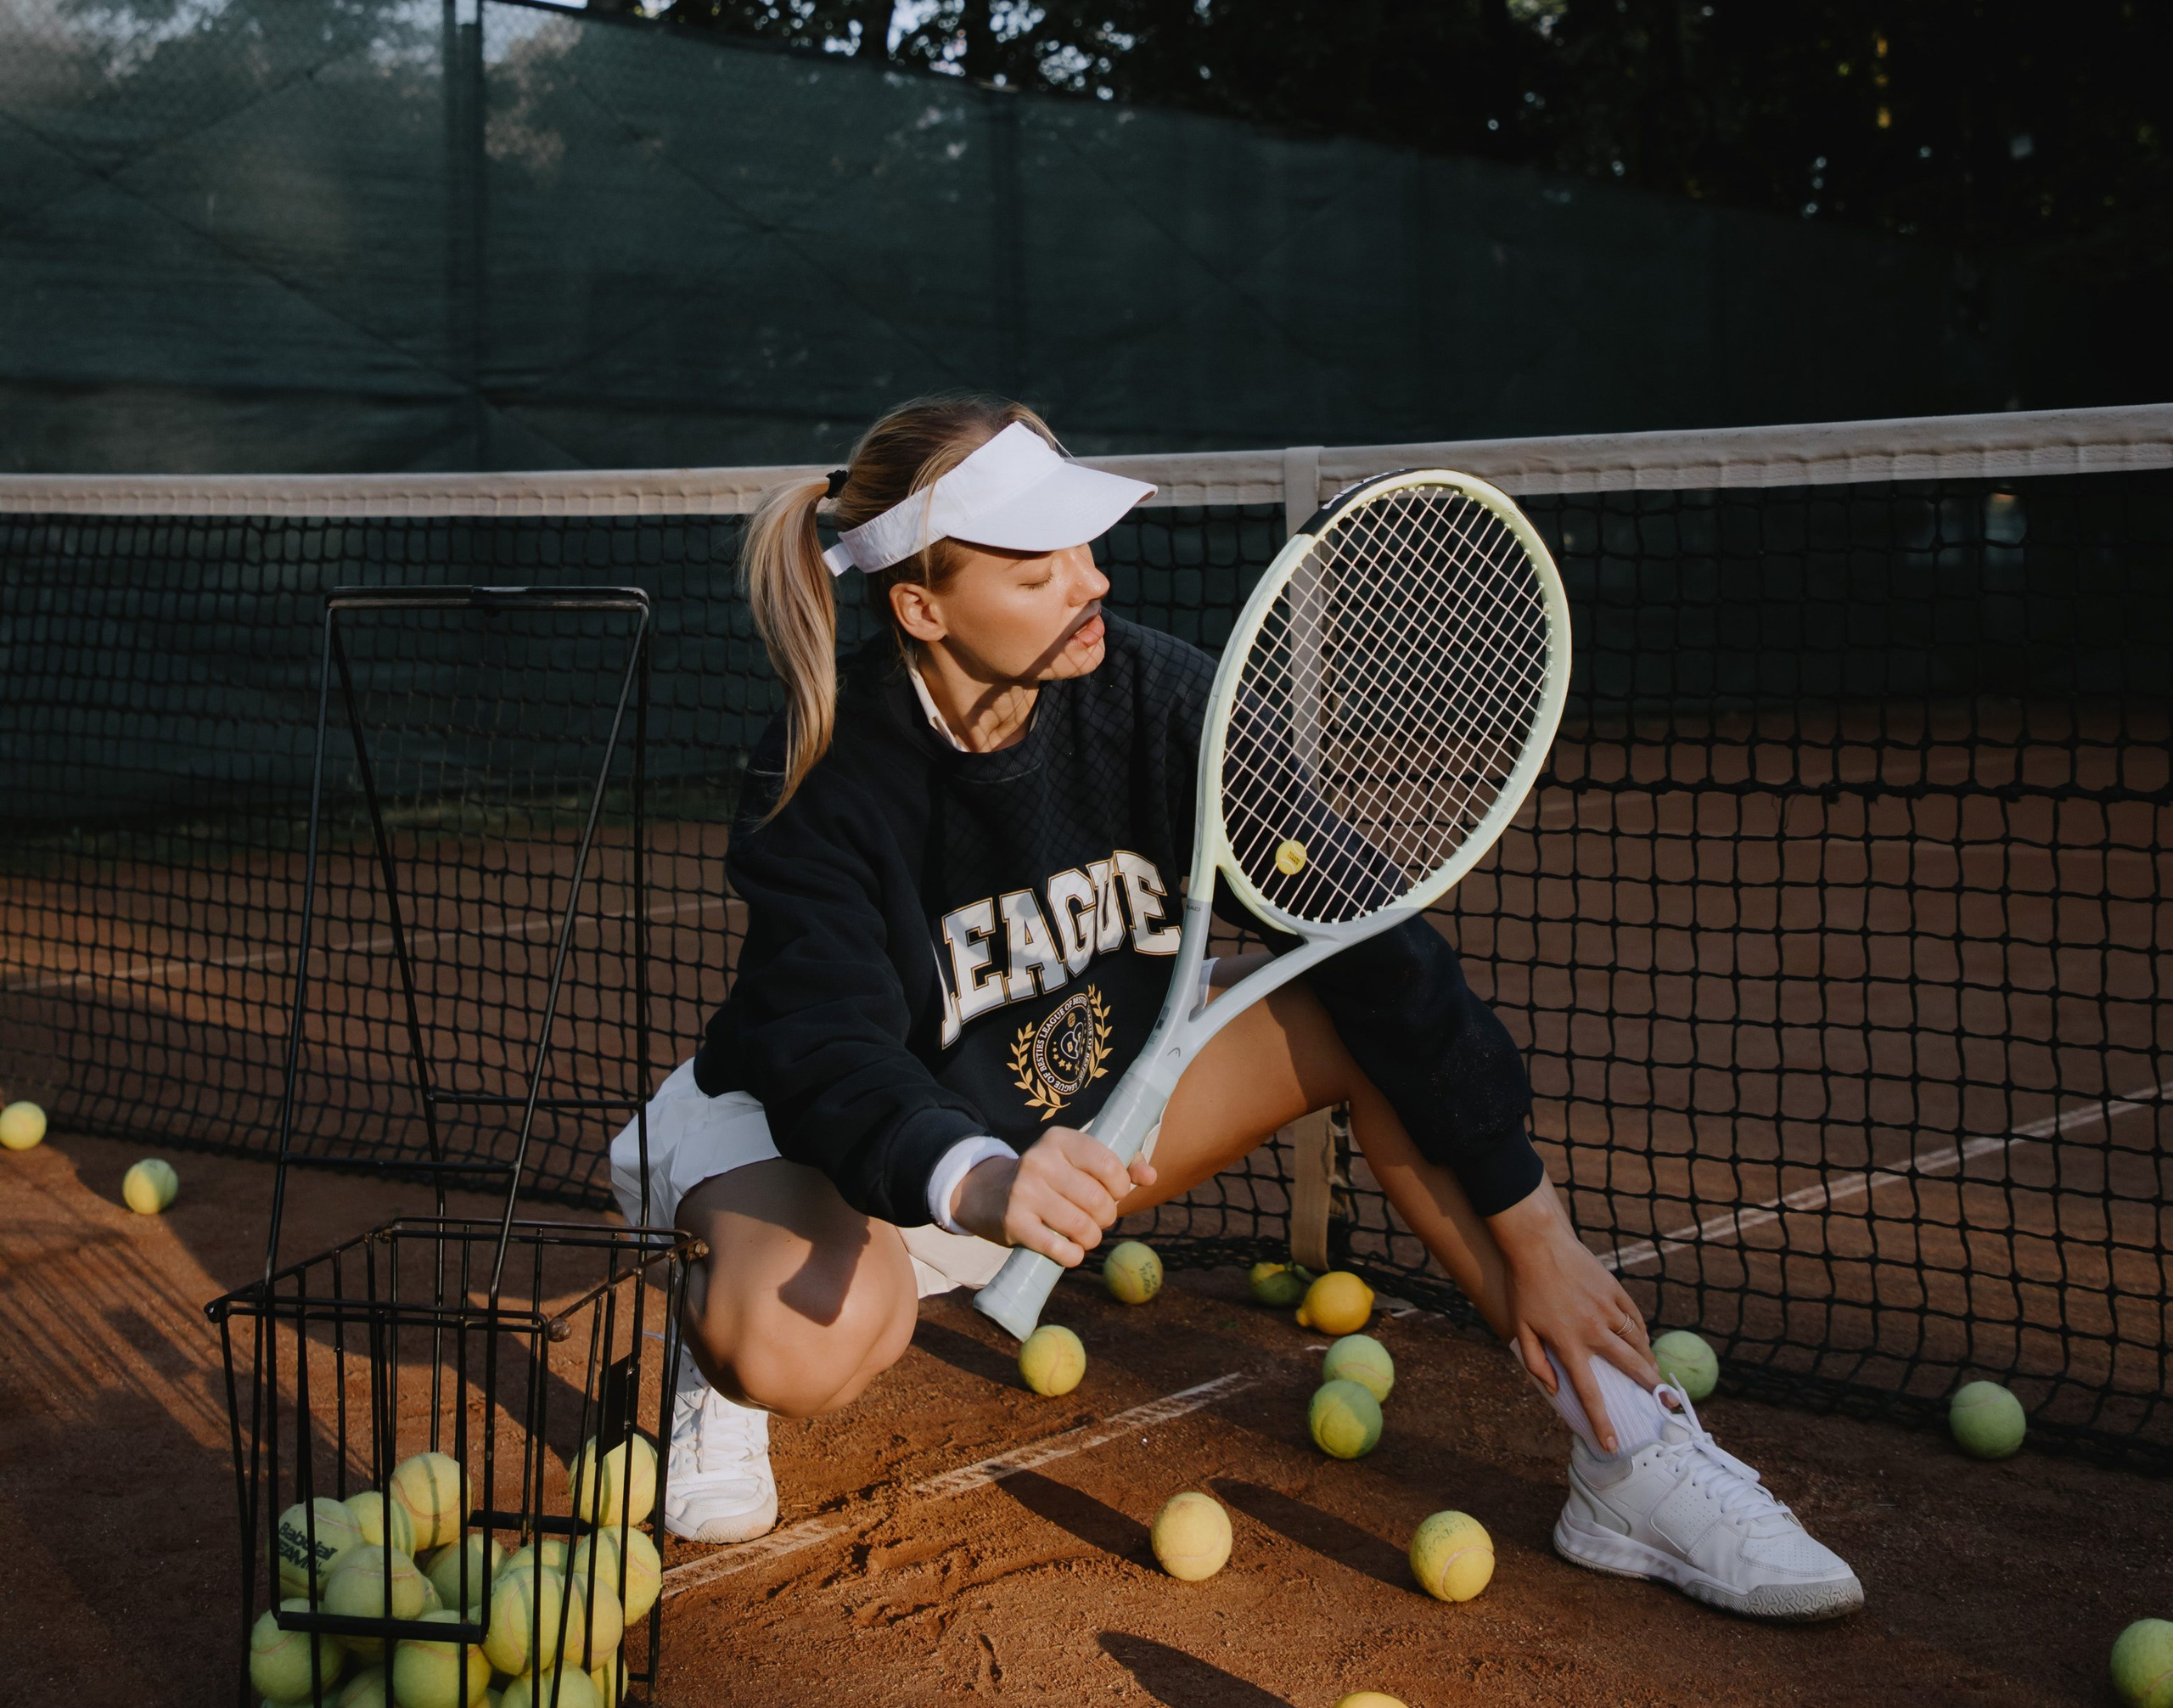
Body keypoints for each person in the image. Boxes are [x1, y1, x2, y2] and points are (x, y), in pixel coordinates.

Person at [609, 395, 1861, 1621]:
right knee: (805, 1344)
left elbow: (1376, 945)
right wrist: (974, 1177)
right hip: (834, 1141)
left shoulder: (1160, 699)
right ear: (922, 608)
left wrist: (1535, 1231)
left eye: (1084, 548)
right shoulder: (825, 764)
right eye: (1039, 571)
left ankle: (1627, 1450)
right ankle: (718, 1336)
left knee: (1357, 1009)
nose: (1091, 583)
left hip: (1060, 1130)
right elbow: (826, 1046)